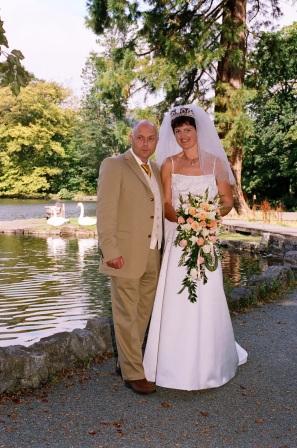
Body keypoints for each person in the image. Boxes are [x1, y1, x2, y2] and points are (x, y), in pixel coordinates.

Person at [143, 105, 247, 391]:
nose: (183, 135)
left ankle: (210, 362)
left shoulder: (215, 163)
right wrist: (188, 220)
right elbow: (165, 204)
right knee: (177, 292)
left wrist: (208, 216)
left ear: (198, 131)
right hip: (180, 238)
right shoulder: (170, 165)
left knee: (206, 293)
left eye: (187, 130)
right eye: (178, 131)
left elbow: (226, 201)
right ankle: (170, 363)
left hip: (206, 239)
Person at [96, 120, 163, 395]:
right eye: (140, 138)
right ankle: (134, 374)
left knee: (142, 312)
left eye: (150, 138)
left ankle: (126, 361)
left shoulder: (157, 170)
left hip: (153, 252)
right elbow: (105, 211)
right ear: (131, 138)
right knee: (126, 313)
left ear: (157, 141)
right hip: (124, 254)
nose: (145, 143)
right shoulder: (114, 165)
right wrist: (110, 251)